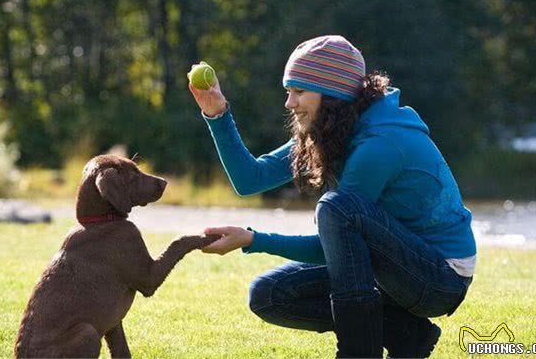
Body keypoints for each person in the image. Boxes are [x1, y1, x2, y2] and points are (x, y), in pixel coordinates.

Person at [188, 35, 475, 358]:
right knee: (269, 295)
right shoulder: (333, 129)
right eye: (288, 92)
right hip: (392, 269)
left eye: (299, 92)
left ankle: (357, 352)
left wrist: (254, 240)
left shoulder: (379, 144)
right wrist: (217, 114)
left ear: (332, 95)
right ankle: (406, 334)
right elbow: (250, 179)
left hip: (440, 278)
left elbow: (332, 244)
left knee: (337, 208)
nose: (289, 103)